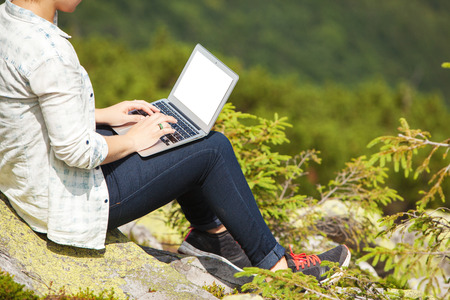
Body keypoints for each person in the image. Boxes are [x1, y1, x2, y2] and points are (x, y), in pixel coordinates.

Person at [0, 0, 350, 283]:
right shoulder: (51, 54)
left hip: (33, 183)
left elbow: (27, 113)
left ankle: (212, 236)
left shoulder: (10, 21)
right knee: (212, 148)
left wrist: (104, 115)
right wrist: (136, 139)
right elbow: (76, 151)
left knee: (169, 133)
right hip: (63, 204)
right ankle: (277, 269)